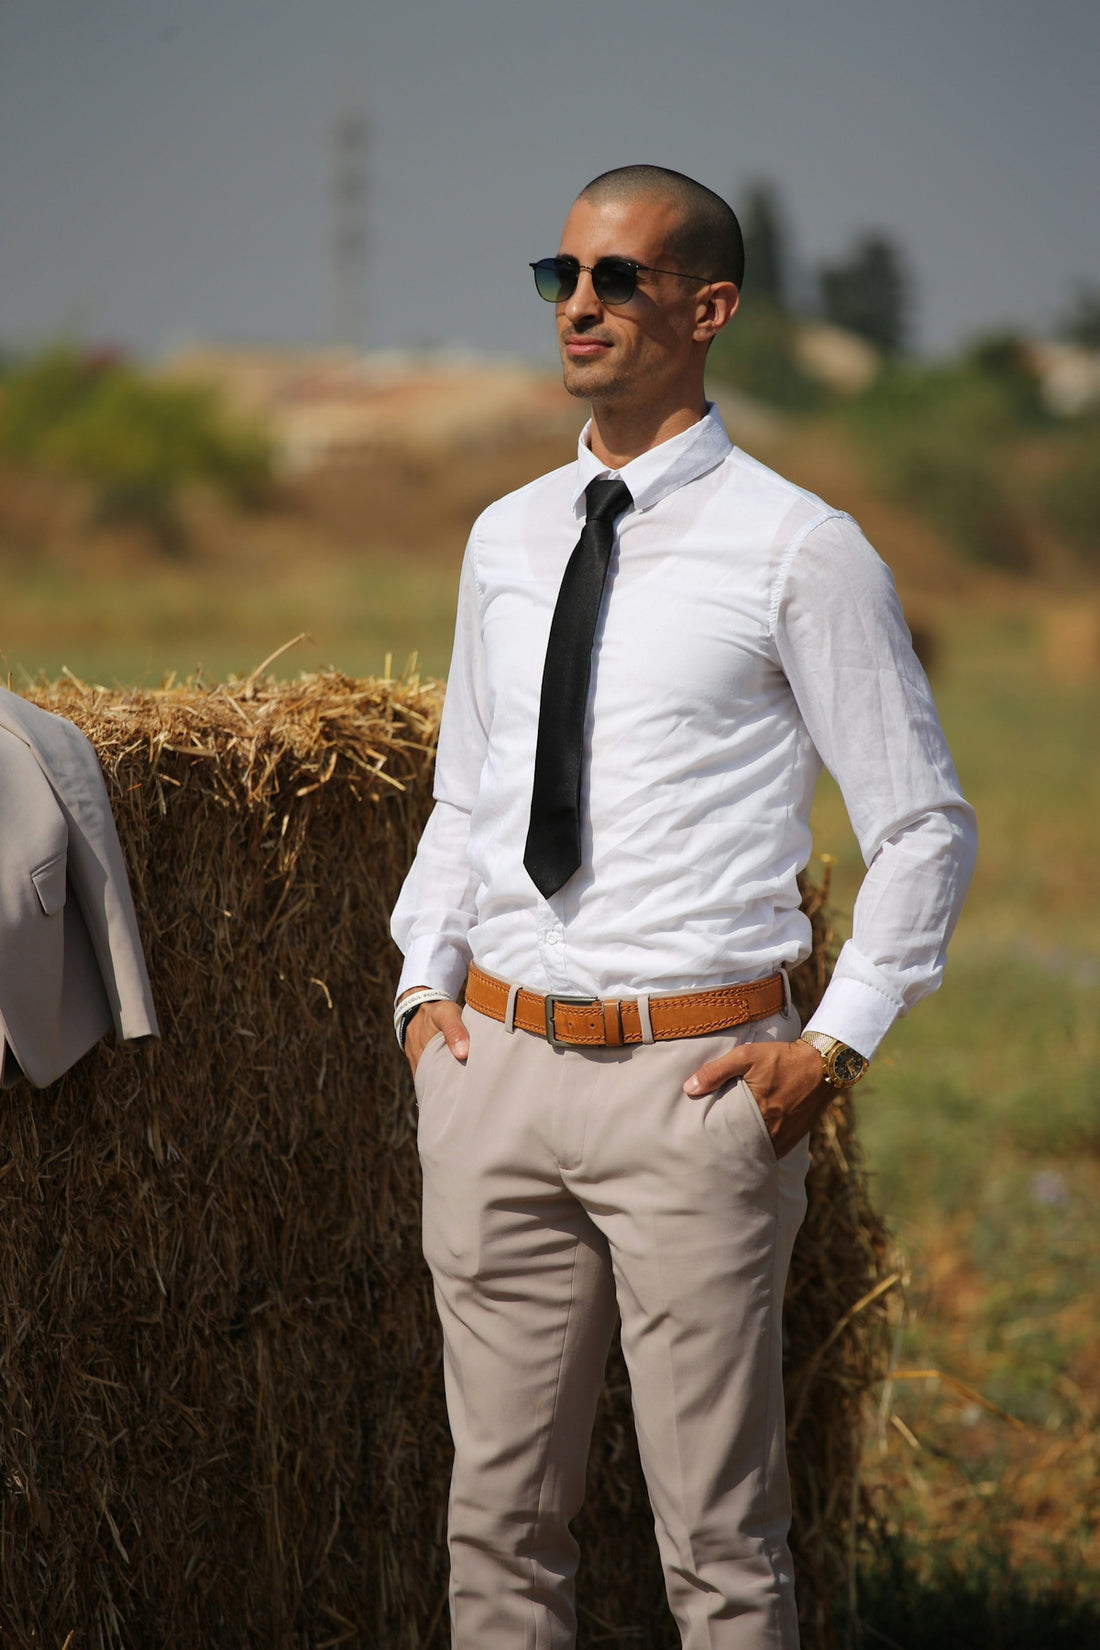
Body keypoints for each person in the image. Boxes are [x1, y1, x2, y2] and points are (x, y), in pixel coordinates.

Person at [390, 165, 976, 1650]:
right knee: (497, 1526)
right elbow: (467, 793)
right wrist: (421, 990)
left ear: (708, 309)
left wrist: (826, 1048)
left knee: (720, 1543)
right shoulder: (506, 538)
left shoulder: (801, 546)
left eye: (618, 279)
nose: (579, 305)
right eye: (562, 276)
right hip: (495, 1077)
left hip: (700, 1087)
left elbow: (921, 823)